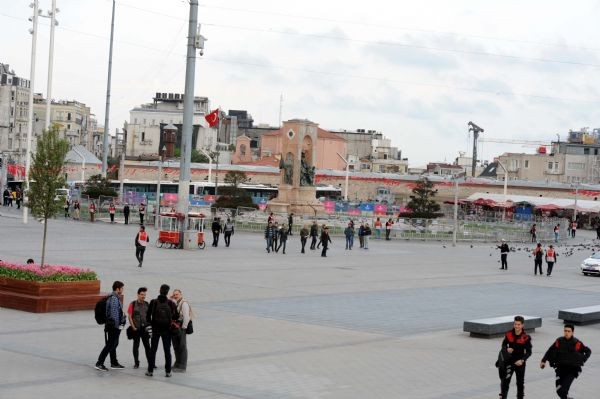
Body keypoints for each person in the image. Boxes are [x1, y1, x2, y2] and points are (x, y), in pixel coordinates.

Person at [540, 324, 592, 399]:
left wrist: (583, 359)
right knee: (559, 391)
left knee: (563, 390)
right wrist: (543, 360)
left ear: (572, 332)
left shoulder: (577, 343)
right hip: (560, 369)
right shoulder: (559, 341)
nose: (566, 333)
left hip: (572, 370)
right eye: (565, 331)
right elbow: (550, 350)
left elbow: (588, 351)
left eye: (569, 331)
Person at [146, 284, 179, 377]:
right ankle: (168, 371)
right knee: (167, 351)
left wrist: (150, 325)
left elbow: (148, 316)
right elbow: (176, 316)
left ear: (159, 290)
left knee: (153, 350)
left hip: (155, 329)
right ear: (167, 292)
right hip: (167, 330)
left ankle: (150, 371)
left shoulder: (153, 302)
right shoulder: (170, 303)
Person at [496, 316, 531, 399]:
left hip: (520, 364)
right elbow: (503, 345)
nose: (516, 326)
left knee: (520, 384)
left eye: (518, 324)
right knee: (505, 382)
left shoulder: (526, 337)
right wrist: (507, 349)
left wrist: (522, 360)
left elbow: (529, 352)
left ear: (522, 325)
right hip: (509, 362)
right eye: (515, 324)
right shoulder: (508, 334)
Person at [95, 281, 126, 371]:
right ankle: (99, 363)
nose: (122, 290)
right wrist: (118, 326)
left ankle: (114, 362)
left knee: (114, 344)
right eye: (122, 288)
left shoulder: (114, 297)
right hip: (113, 326)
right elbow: (114, 315)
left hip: (114, 326)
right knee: (110, 345)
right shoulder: (113, 299)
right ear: (117, 289)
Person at [127, 287, 151, 369]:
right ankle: (136, 363)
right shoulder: (132, 304)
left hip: (145, 329)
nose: (143, 296)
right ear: (138, 294)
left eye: (144, 295)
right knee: (136, 346)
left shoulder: (147, 304)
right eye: (141, 294)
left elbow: (150, 317)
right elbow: (129, 316)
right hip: (136, 329)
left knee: (147, 346)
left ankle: (150, 362)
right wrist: (133, 327)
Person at [171, 289, 191, 373]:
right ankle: (177, 362)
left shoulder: (184, 303)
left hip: (181, 327)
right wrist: (171, 299)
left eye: (177, 294)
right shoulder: (176, 302)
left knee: (182, 346)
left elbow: (186, 317)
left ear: (181, 294)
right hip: (176, 327)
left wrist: (183, 328)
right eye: (174, 295)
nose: (176, 296)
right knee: (176, 346)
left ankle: (182, 366)